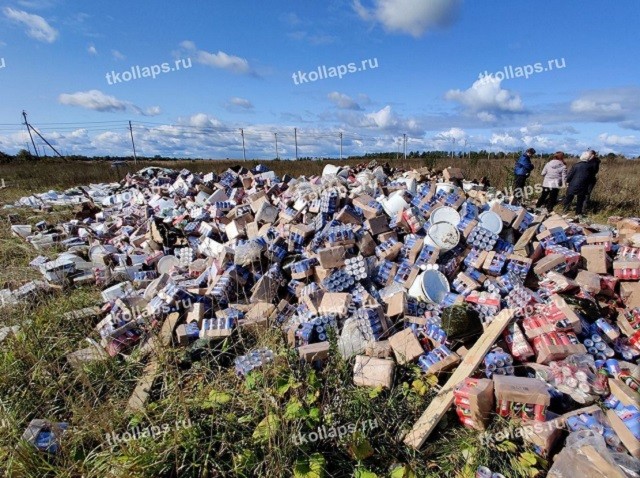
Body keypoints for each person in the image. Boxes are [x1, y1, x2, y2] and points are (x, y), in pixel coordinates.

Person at [562, 152, 598, 217]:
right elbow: (591, 176)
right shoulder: (590, 167)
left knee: (569, 197)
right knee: (580, 200)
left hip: (573, 184)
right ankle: (578, 213)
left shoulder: (576, 165)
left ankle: (565, 210)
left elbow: (570, 175)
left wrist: (567, 181)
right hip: (583, 185)